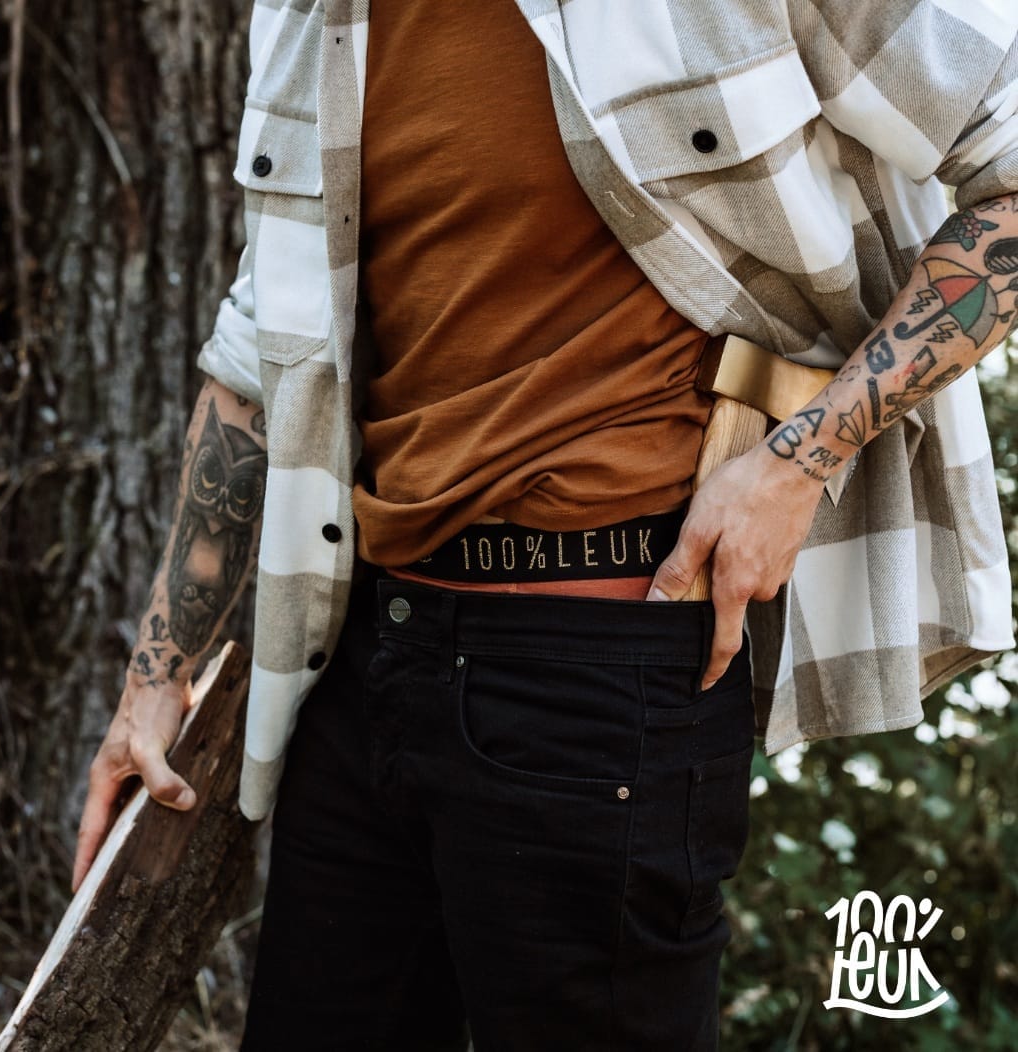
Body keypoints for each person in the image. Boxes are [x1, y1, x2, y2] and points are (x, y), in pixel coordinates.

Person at [74, 1, 1018, 1048]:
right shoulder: (310, 16)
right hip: (366, 658)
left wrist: (803, 460)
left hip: (602, 671)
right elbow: (264, 347)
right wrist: (155, 676)